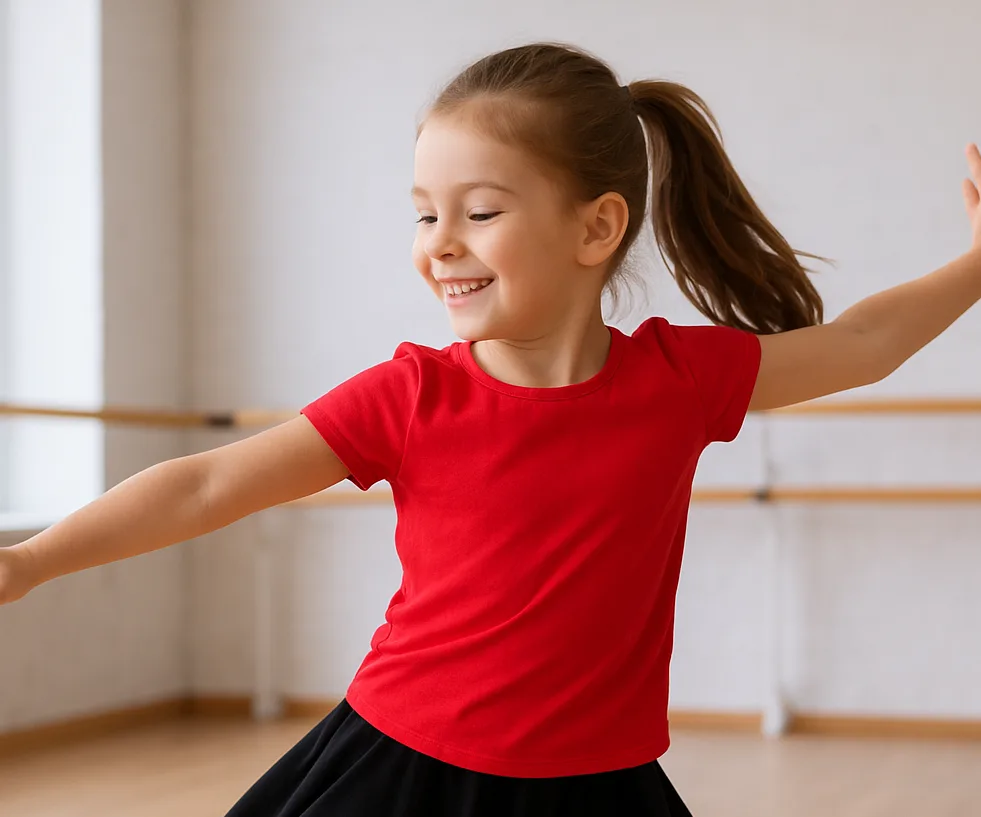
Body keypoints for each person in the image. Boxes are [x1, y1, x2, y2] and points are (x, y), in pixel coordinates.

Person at [1, 41, 979, 817]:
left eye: (477, 210)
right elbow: (208, 484)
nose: (440, 245)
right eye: (425, 214)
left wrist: (976, 263)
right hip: (401, 763)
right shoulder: (411, 395)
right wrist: (34, 559)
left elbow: (863, 342)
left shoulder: (679, 378)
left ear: (595, 230)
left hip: (597, 780)